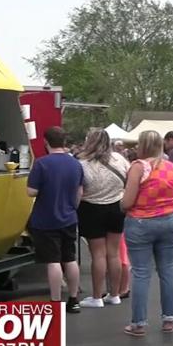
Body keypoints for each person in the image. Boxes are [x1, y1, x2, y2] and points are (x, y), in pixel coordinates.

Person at [120, 130, 173, 336]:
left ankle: (138, 323)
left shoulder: (138, 167)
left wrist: (122, 205)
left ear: (142, 145)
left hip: (140, 223)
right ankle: (169, 320)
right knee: (167, 269)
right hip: (168, 222)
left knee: (141, 272)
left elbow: (127, 202)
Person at [26, 126, 84, 313]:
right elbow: (80, 192)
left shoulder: (41, 164)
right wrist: (72, 207)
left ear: (45, 142)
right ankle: (74, 299)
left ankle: (55, 301)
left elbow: (31, 192)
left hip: (45, 218)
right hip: (69, 217)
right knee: (70, 258)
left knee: (53, 261)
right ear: (64, 142)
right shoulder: (75, 164)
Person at [76, 128, 131, 308]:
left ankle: (97, 296)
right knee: (114, 254)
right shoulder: (119, 159)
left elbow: (79, 188)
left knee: (98, 255)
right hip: (117, 207)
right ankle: (114, 294)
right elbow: (130, 179)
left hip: (91, 208)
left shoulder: (82, 163)